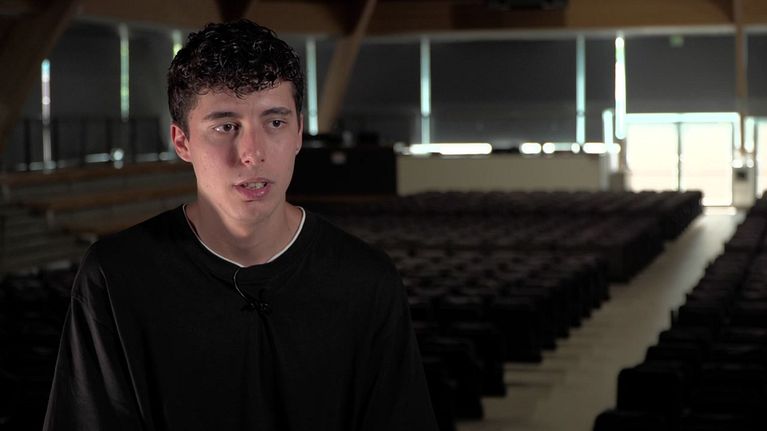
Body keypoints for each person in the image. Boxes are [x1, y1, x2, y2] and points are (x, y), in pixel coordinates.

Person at [43, 20, 437, 430]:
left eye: (275, 122)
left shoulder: (367, 280)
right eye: (225, 126)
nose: (252, 153)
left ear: (299, 133)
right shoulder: (115, 277)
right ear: (182, 142)